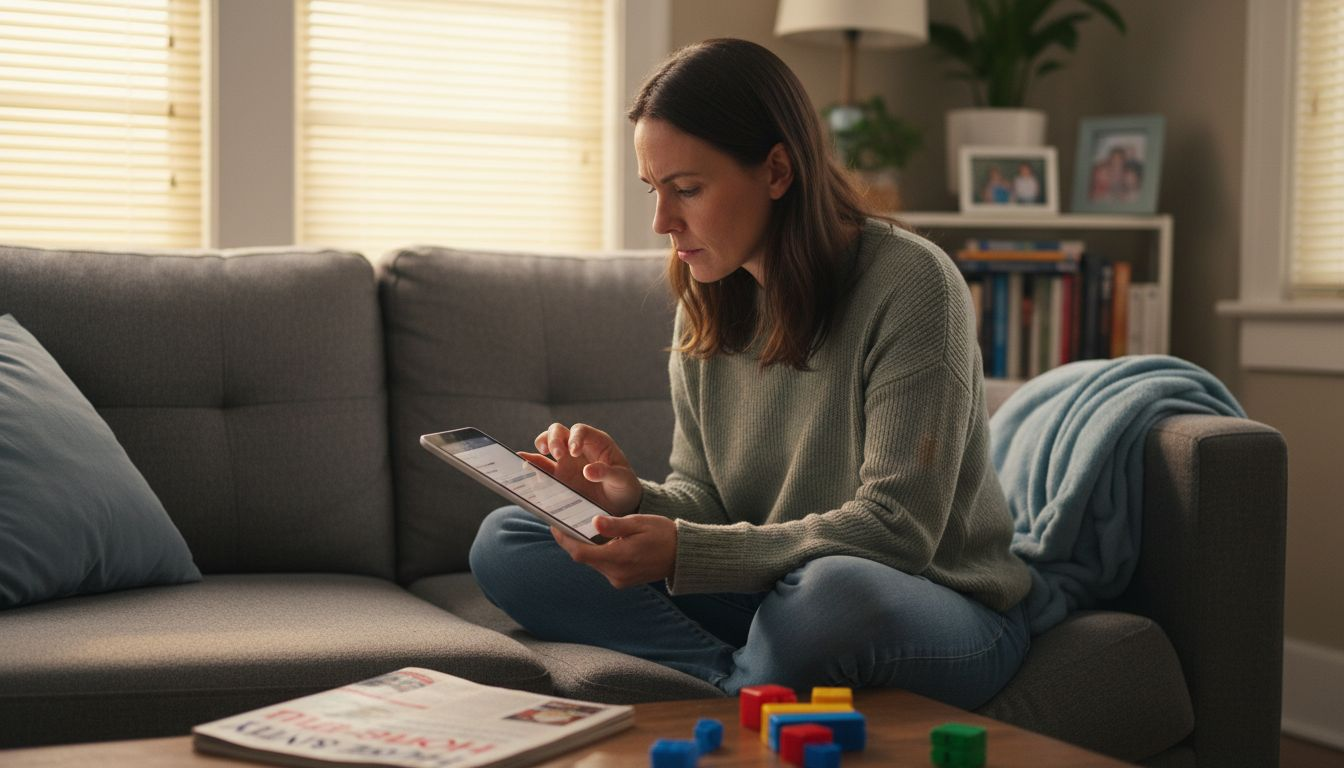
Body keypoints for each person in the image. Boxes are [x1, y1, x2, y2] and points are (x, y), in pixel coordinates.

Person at [468, 38, 1031, 710]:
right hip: (775, 588)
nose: (660, 221)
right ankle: (735, 680)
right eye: (654, 190)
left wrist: (684, 553)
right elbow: (707, 501)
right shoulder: (707, 297)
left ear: (776, 171)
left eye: (687, 189)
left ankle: (753, 674)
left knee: (829, 597)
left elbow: (896, 530)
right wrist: (625, 502)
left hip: (930, 599)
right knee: (509, 539)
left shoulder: (911, 283)